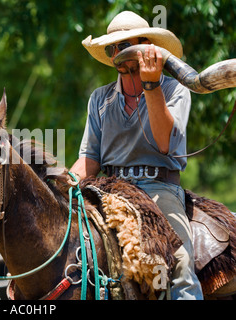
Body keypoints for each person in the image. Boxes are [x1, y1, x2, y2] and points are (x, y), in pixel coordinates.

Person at [70, 11, 203, 299]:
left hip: (160, 187)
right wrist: (63, 183)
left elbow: (165, 143)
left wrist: (151, 85)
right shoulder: (100, 98)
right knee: (71, 247)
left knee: (178, 262)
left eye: (125, 46)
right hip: (108, 189)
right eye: (112, 48)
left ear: (145, 46)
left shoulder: (174, 89)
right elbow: (89, 159)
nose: (118, 54)